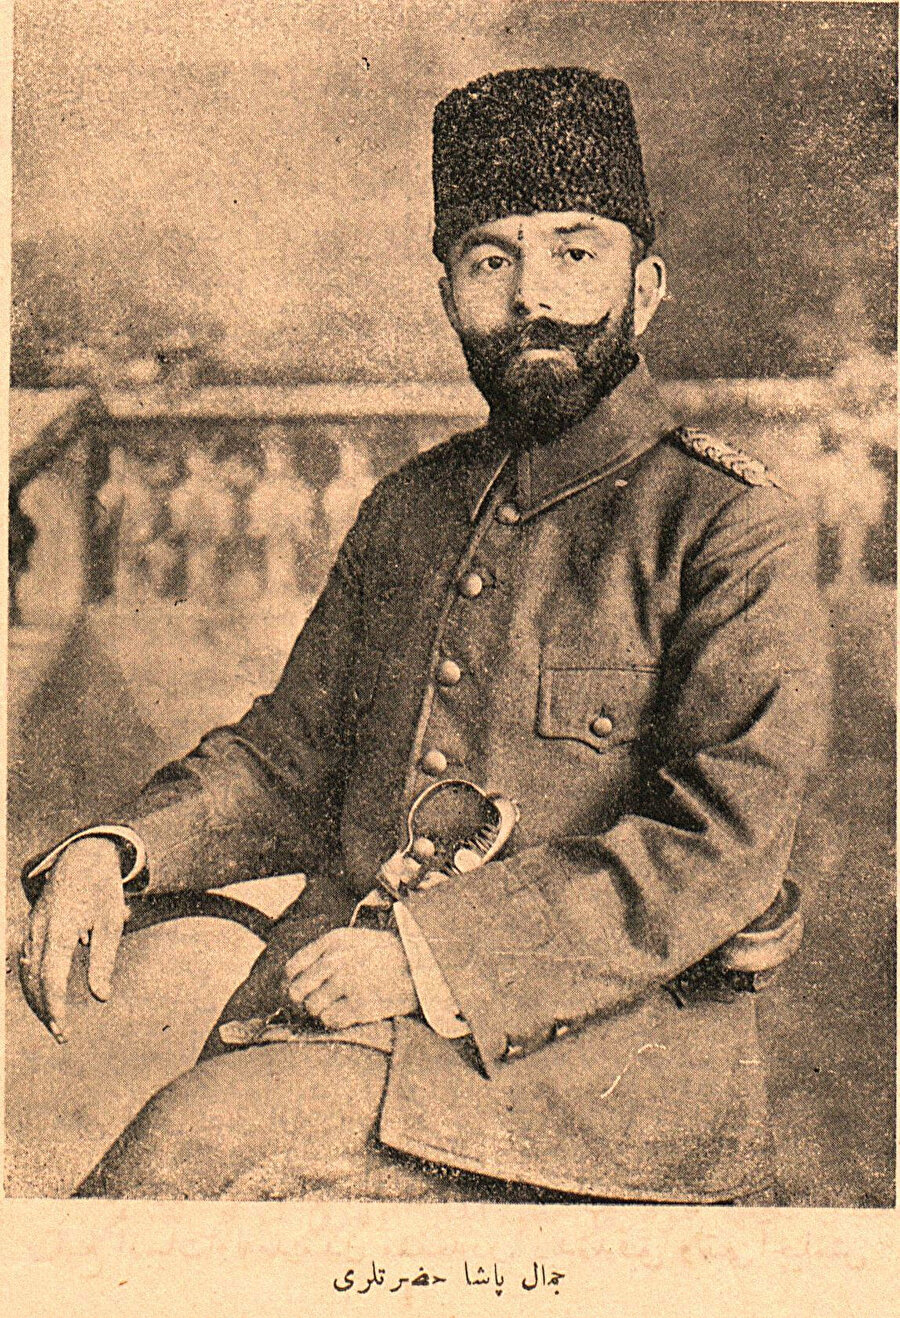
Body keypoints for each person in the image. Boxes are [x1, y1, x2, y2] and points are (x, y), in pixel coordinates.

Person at [20, 68, 823, 1202]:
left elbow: (721, 840)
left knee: (184, 1156)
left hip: (597, 1075)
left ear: (645, 289)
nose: (533, 295)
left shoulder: (727, 525)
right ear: (448, 293)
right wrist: (117, 847)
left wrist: (429, 959)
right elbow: (288, 760)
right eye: (490, 260)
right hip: (339, 1020)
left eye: (575, 252)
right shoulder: (410, 509)